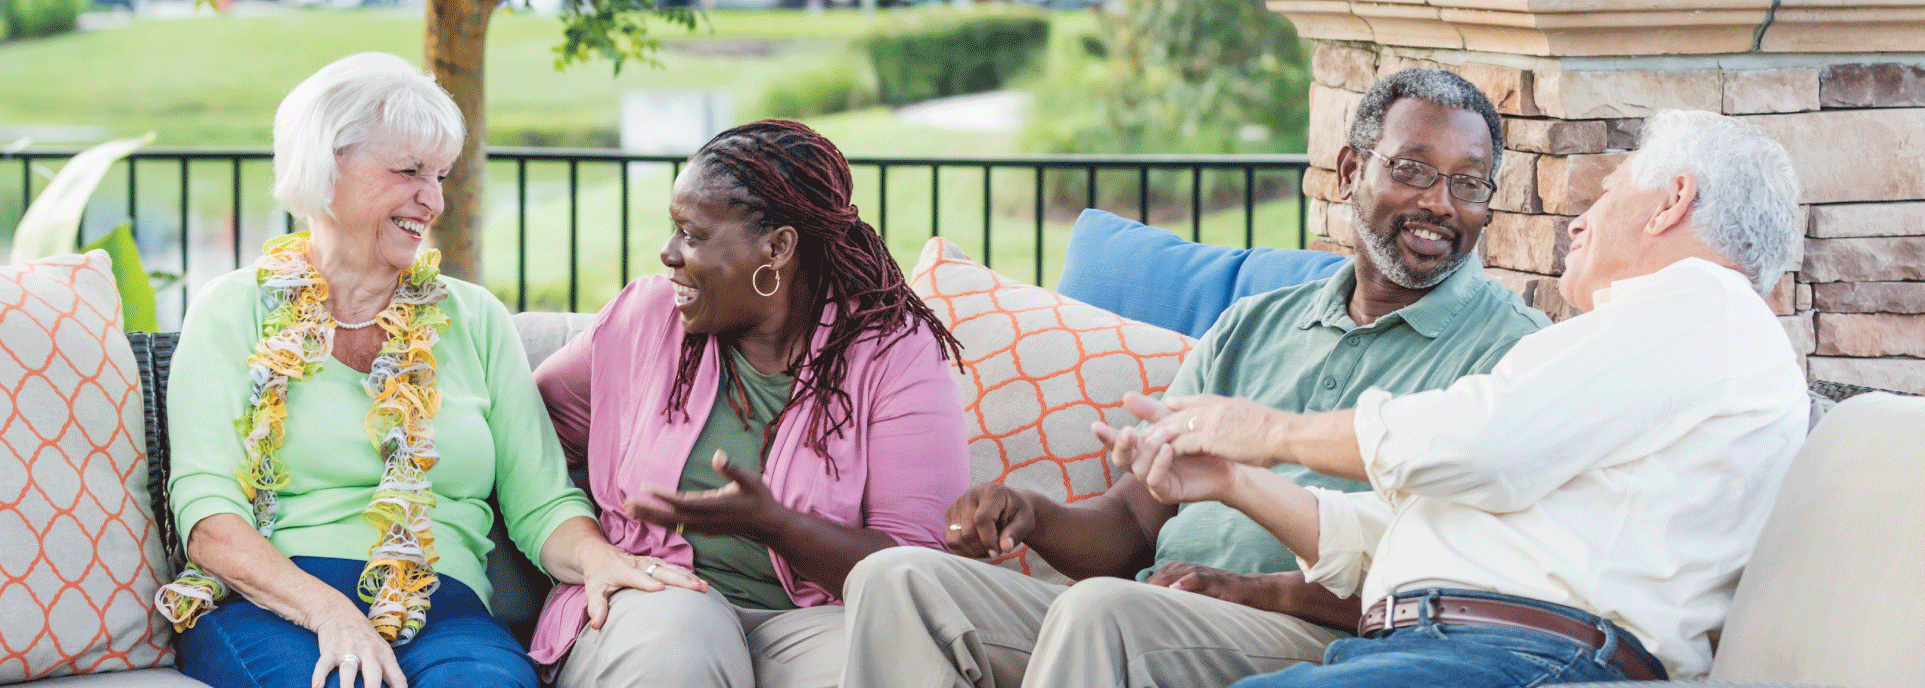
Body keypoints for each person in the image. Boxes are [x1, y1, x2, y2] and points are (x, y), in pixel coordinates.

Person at [840, 68, 1550, 688]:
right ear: (1347, 172)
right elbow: (1127, 527)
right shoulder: (1253, 325)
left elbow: (1461, 584)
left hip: (1328, 643)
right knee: (898, 579)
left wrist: (1260, 591)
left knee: (1105, 613)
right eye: (1412, 170)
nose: (1439, 203)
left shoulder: (1510, 355)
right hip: (1155, 609)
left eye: (1467, 182)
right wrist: (1031, 513)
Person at [1115, 109, 1806, 686]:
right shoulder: (1650, 349)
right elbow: (1411, 523)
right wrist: (1235, 479)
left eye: (1607, 191)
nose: (1577, 222)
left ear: (1670, 201)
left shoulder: (1703, 307)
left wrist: (1274, 432)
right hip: (1451, 652)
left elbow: (1482, 444)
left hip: (1521, 658)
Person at [157, 52, 669, 688]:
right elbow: (210, 524)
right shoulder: (234, 310)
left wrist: (597, 557)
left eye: (440, 175)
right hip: (278, 603)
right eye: (408, 172)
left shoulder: (474, 318)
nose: (432, 200)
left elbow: (540, 499)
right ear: (325, 165)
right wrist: (332, 613)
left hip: (444, 607)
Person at [527, 119, 971, 688]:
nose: (668, 254)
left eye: (692, 234)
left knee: (905, 671)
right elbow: (525, 436)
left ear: (778, 247)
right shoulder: (646, 319)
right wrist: (588, 548)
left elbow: (911, 569)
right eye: (673, 230)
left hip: (813, 620)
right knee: (680, 654)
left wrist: (776, 526)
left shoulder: (892, 353)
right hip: (659, 592)